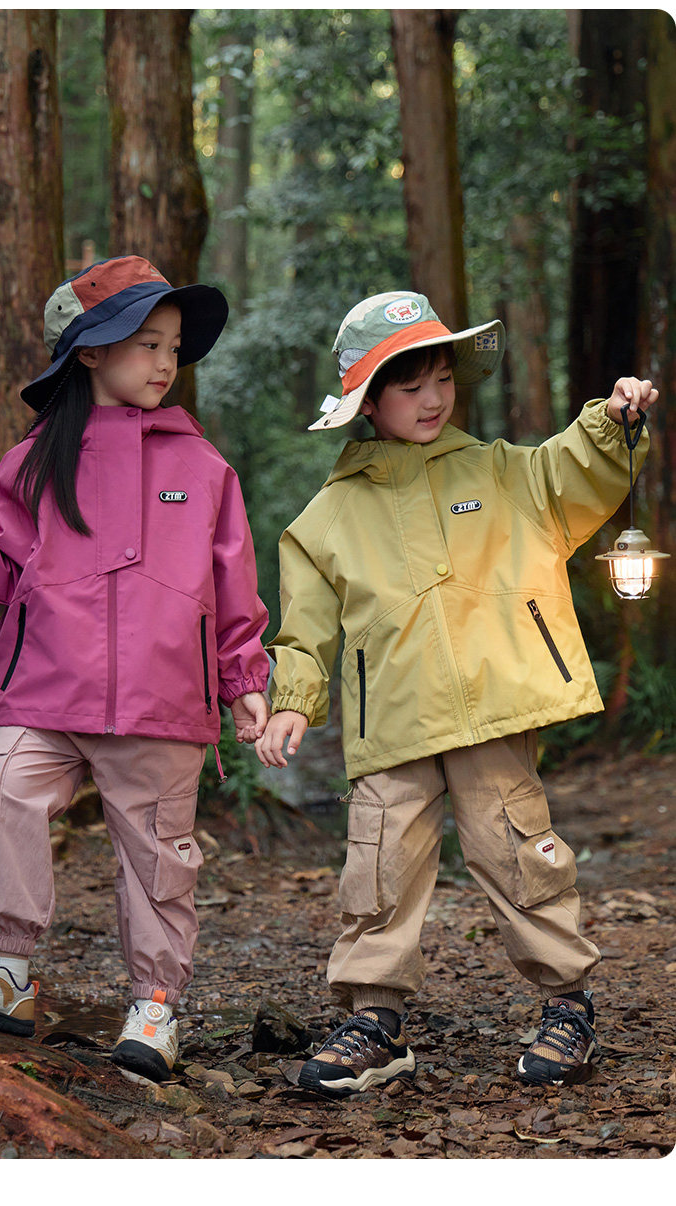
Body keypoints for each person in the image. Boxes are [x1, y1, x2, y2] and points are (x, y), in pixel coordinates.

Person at [256, 289, 659, 1097]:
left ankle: (568, 1005)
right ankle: (374, 1020)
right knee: (379, 866)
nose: (433, 398)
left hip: (494, 705)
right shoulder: (325, 519)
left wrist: (611, 422)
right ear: (368, 402)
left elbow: (573, 474)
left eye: (442, 378)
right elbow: (305, 629)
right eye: (410, 386)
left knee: (519, 853)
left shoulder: (503, 472)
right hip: (391, 722)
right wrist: (294, 697)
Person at [0, 255, 269, 1083]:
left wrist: (244, 681)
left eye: (173, 346)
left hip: (162, 695)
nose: (166, 362)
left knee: (158, 857)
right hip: (46, 687)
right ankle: (3, 971)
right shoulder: (35, 461)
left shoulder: (203, 467)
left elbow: (233, 582)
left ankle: (155, 1006)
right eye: (147, 343)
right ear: (92, 352)